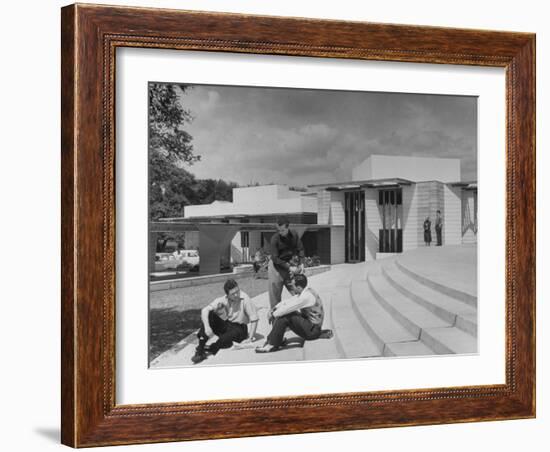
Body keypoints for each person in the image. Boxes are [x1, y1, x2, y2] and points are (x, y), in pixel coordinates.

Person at [255, 274, 333, 353]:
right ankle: (274, 340)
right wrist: (274, 309)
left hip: (312, 331)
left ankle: (272, 344)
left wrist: (273, 314)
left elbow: (288, 308)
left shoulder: (305, 297)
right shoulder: (307, 290)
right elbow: (289, 302)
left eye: (293, 286)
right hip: (311, 327)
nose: (292, 288)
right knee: (286, 313)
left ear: (299, 287)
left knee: (286, 315)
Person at [191, 279, 258, 364]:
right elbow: (204, 310)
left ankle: (210, 347)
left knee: (224, 339)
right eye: (233, 294)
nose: (236, 295)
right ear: (227, 295)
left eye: (237, 291)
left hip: (241, 329)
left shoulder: (245, 298)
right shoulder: (223, 299)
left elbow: (254, 319)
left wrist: (250, 338)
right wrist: (208, 327)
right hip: (228, 324)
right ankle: (200, 351)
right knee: (209, 314)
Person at [268, 216, 305, 309]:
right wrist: (289, 267)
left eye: (283, 230)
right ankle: (276, 319)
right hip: (275, 267)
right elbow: (275, 258)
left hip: (288, 264)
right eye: (279, 230)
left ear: (288, 228)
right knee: (275, 298)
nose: (280, 233)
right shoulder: (275, 239)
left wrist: (301, 263)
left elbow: (300, 249)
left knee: (298, 291)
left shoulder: (294, 235)